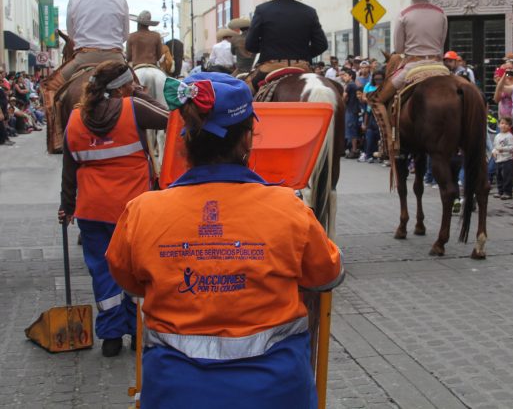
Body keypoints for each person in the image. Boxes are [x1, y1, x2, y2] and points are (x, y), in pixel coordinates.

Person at [105, 72, 343, 408]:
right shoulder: (289, 208)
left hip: (175, 393)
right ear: (247, 140)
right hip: (275, 392)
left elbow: (130, 283)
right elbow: (328, 275)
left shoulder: (142, 210)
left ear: (184, 138)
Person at [58, 60, 168, 357]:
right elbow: (171, 119)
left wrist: (66, 206)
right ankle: (136, 331)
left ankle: (110, 337)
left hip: (92, 210)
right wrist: (140, 94)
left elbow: (69, 168)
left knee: (102, 271)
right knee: (135, 268)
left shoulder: (75, 117)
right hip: (132, 209)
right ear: (123, 85)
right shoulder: (133, 107)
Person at [368, 0, 450, 156]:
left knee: (376, 99)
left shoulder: (404, 14)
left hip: (413, 66)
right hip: (439, 67)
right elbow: (442, 42)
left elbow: (399, 48)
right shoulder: (441, 13)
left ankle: (390, 143)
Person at [245, 0, 328, 77]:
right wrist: (303, 55)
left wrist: (267, 49)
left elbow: (250, 44)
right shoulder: (309, 12)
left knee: (248, 87)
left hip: (270, 66)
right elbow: (321, 45)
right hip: (301, 66)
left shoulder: (262, 10)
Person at [62, 0, 130, 81]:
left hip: (83, 58)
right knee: (137, 87)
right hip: (115, 59)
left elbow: (72, 34)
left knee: (51, 86)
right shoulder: (121, 1)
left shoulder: (75, 0)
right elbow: (125, 36)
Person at [492, 116, 513, 199]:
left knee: (507, 177)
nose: (504, 125)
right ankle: (500, 191)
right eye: (502, 123)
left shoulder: (510, 136)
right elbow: (495, 146)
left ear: (510, 126)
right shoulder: (497, 136)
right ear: (499, 125)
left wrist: (503, 149)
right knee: (499, 176)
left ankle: (507, 193)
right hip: (498, 159)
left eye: (506, 124)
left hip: (507, 159)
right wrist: (494, 152)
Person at [341, 68, 361, 158]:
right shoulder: (354, 85)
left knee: (351, 130)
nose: (343, 77)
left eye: (345, 75)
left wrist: (342, 102)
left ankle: (354, 150)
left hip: (351, 110)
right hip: (354, 109)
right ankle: (353, 149)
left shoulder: (349, 85)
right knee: (352, 129)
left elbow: (344, 97)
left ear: (351, 76)